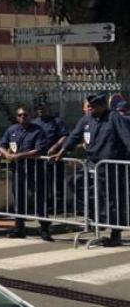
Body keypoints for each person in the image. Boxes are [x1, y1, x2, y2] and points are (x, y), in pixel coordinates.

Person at [50, 93, 130, 247]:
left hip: (110, 166)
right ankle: (96, 219)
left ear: (102, 106)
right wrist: (62, 151)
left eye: (93, 107)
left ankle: (115, 233)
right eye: (89, 106)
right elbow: (74, 136)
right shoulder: (87, 119)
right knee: (76, 183)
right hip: (92, 164)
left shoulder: (114, 118)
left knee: (112, 199)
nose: (90, 109)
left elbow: (127, 138)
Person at [0, 107, 53, 241]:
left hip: (35, 170)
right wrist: (6, 154)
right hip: (18, 170)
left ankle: (45, 229)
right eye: (20, 115)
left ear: (30, 116)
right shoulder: (12, 130)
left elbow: (39, 150)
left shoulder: (37, 130)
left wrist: (19, 155)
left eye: (25, 114)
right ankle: (19, 228)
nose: (23, 117)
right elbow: (1, 145)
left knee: (40, 199)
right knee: (19, 199)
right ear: (17, 117)